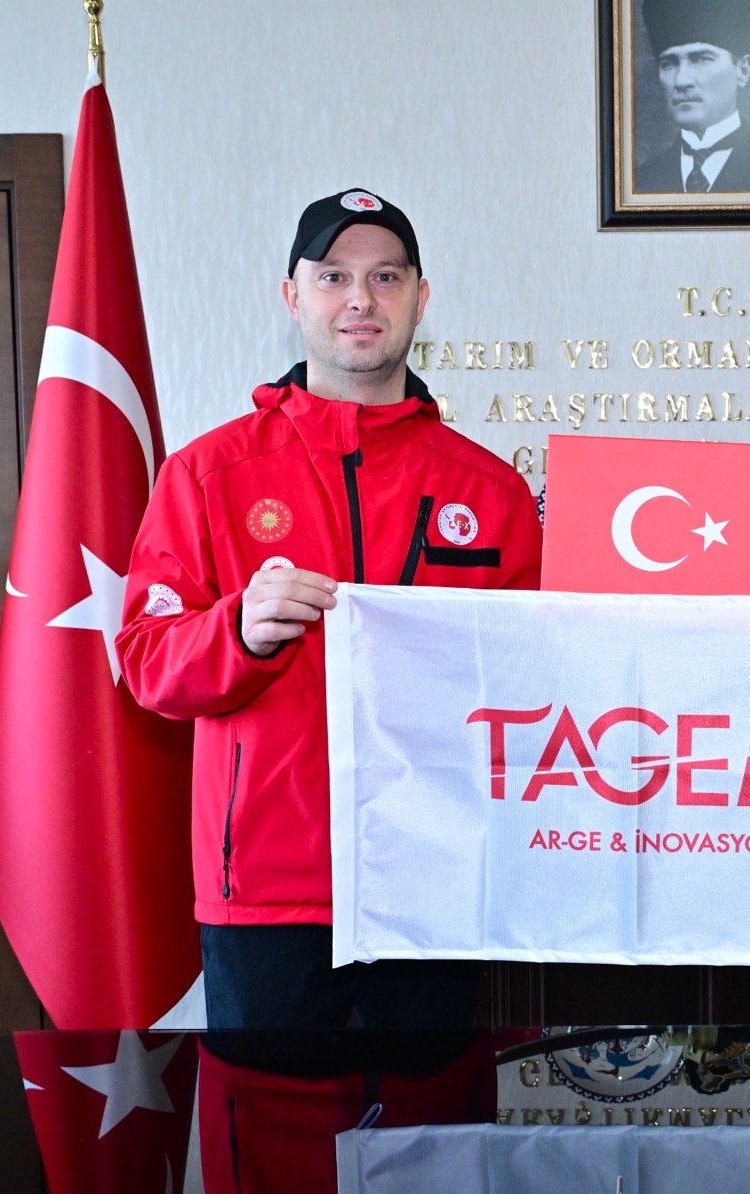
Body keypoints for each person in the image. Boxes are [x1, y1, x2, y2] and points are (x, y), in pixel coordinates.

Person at [117, 189, 543, 1029]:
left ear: (421, 296)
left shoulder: (489, 490)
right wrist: (237, 629)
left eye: (386, 277)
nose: (361, 299)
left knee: (438, 1111)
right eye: (334, 276)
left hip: (441, 884)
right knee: (270, 1112)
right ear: (293, 296)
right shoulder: (206, 474)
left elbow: (539, 685)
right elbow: (146, 664)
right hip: (266, 892)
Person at [633, 0, 750, 194]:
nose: (681, 81)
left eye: (701, 59)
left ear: (742, 71)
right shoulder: (639, 182)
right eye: (668, 63)